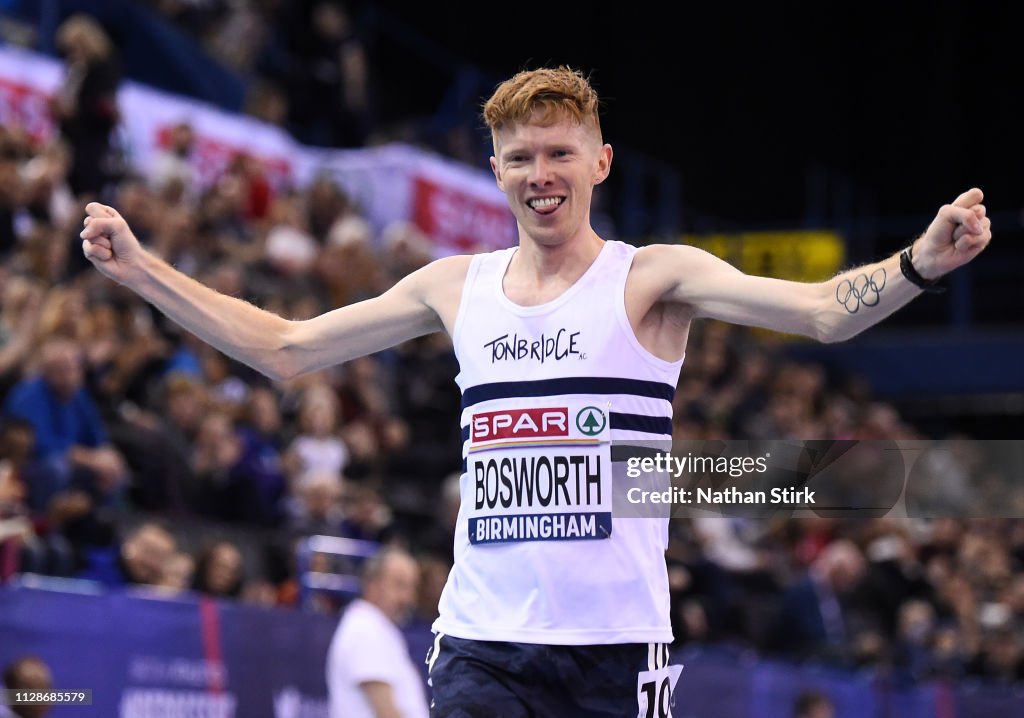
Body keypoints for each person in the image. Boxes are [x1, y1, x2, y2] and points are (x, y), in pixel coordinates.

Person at [78, 66, 992, 716]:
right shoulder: (453, 286)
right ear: (496, 173)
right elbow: (285, 346)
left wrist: (920, 262)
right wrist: (147, 274)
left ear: (600, 163)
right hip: (481, 647)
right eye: (519, 158)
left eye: (559, 154)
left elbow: (826, 312)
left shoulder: (652, 278)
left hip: (615, 655)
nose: (539, 176)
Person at [325, 548, 428, 718]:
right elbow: (386, 712)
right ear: (372, 585)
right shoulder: (365, 629)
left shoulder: (379, 628)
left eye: (412, 588)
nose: (407, 598)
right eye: (399, 585)